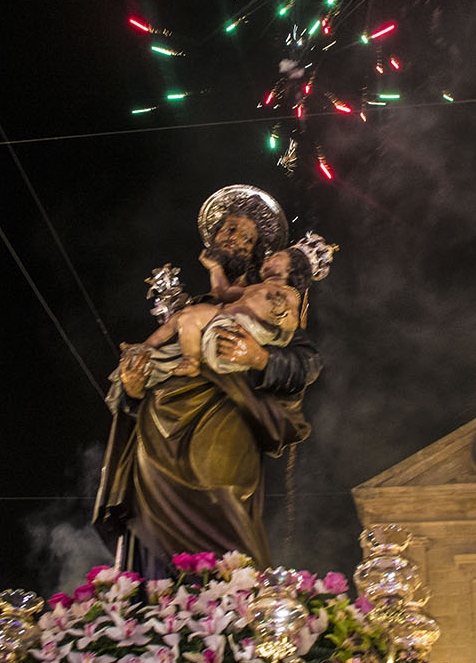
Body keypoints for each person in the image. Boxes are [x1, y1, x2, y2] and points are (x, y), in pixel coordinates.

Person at [92, 186, 325, 570]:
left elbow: (307, 362)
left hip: (225, 425)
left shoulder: (270, 304)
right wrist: (132, 390)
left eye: (246, 237)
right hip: (155, 436)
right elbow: (147, 364)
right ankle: (155, 619)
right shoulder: (196, 305)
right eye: (227, 230)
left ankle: (226, 619)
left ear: (258, 252)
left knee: (224, 516)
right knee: (151, 538)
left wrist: (259, 357)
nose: (233, 239)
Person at [135, 235, 332, 381]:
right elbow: (222, 291)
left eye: (277, 256)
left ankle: (189, 359)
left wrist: (280, 315)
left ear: (292, 267)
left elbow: (291, 324)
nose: (268, 259)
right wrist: (214, 268)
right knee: (183, 316)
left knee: (189, 316)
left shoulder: (288, 293)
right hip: (222, 320)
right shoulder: (254, 288)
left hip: (236, 336)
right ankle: (146, 349)